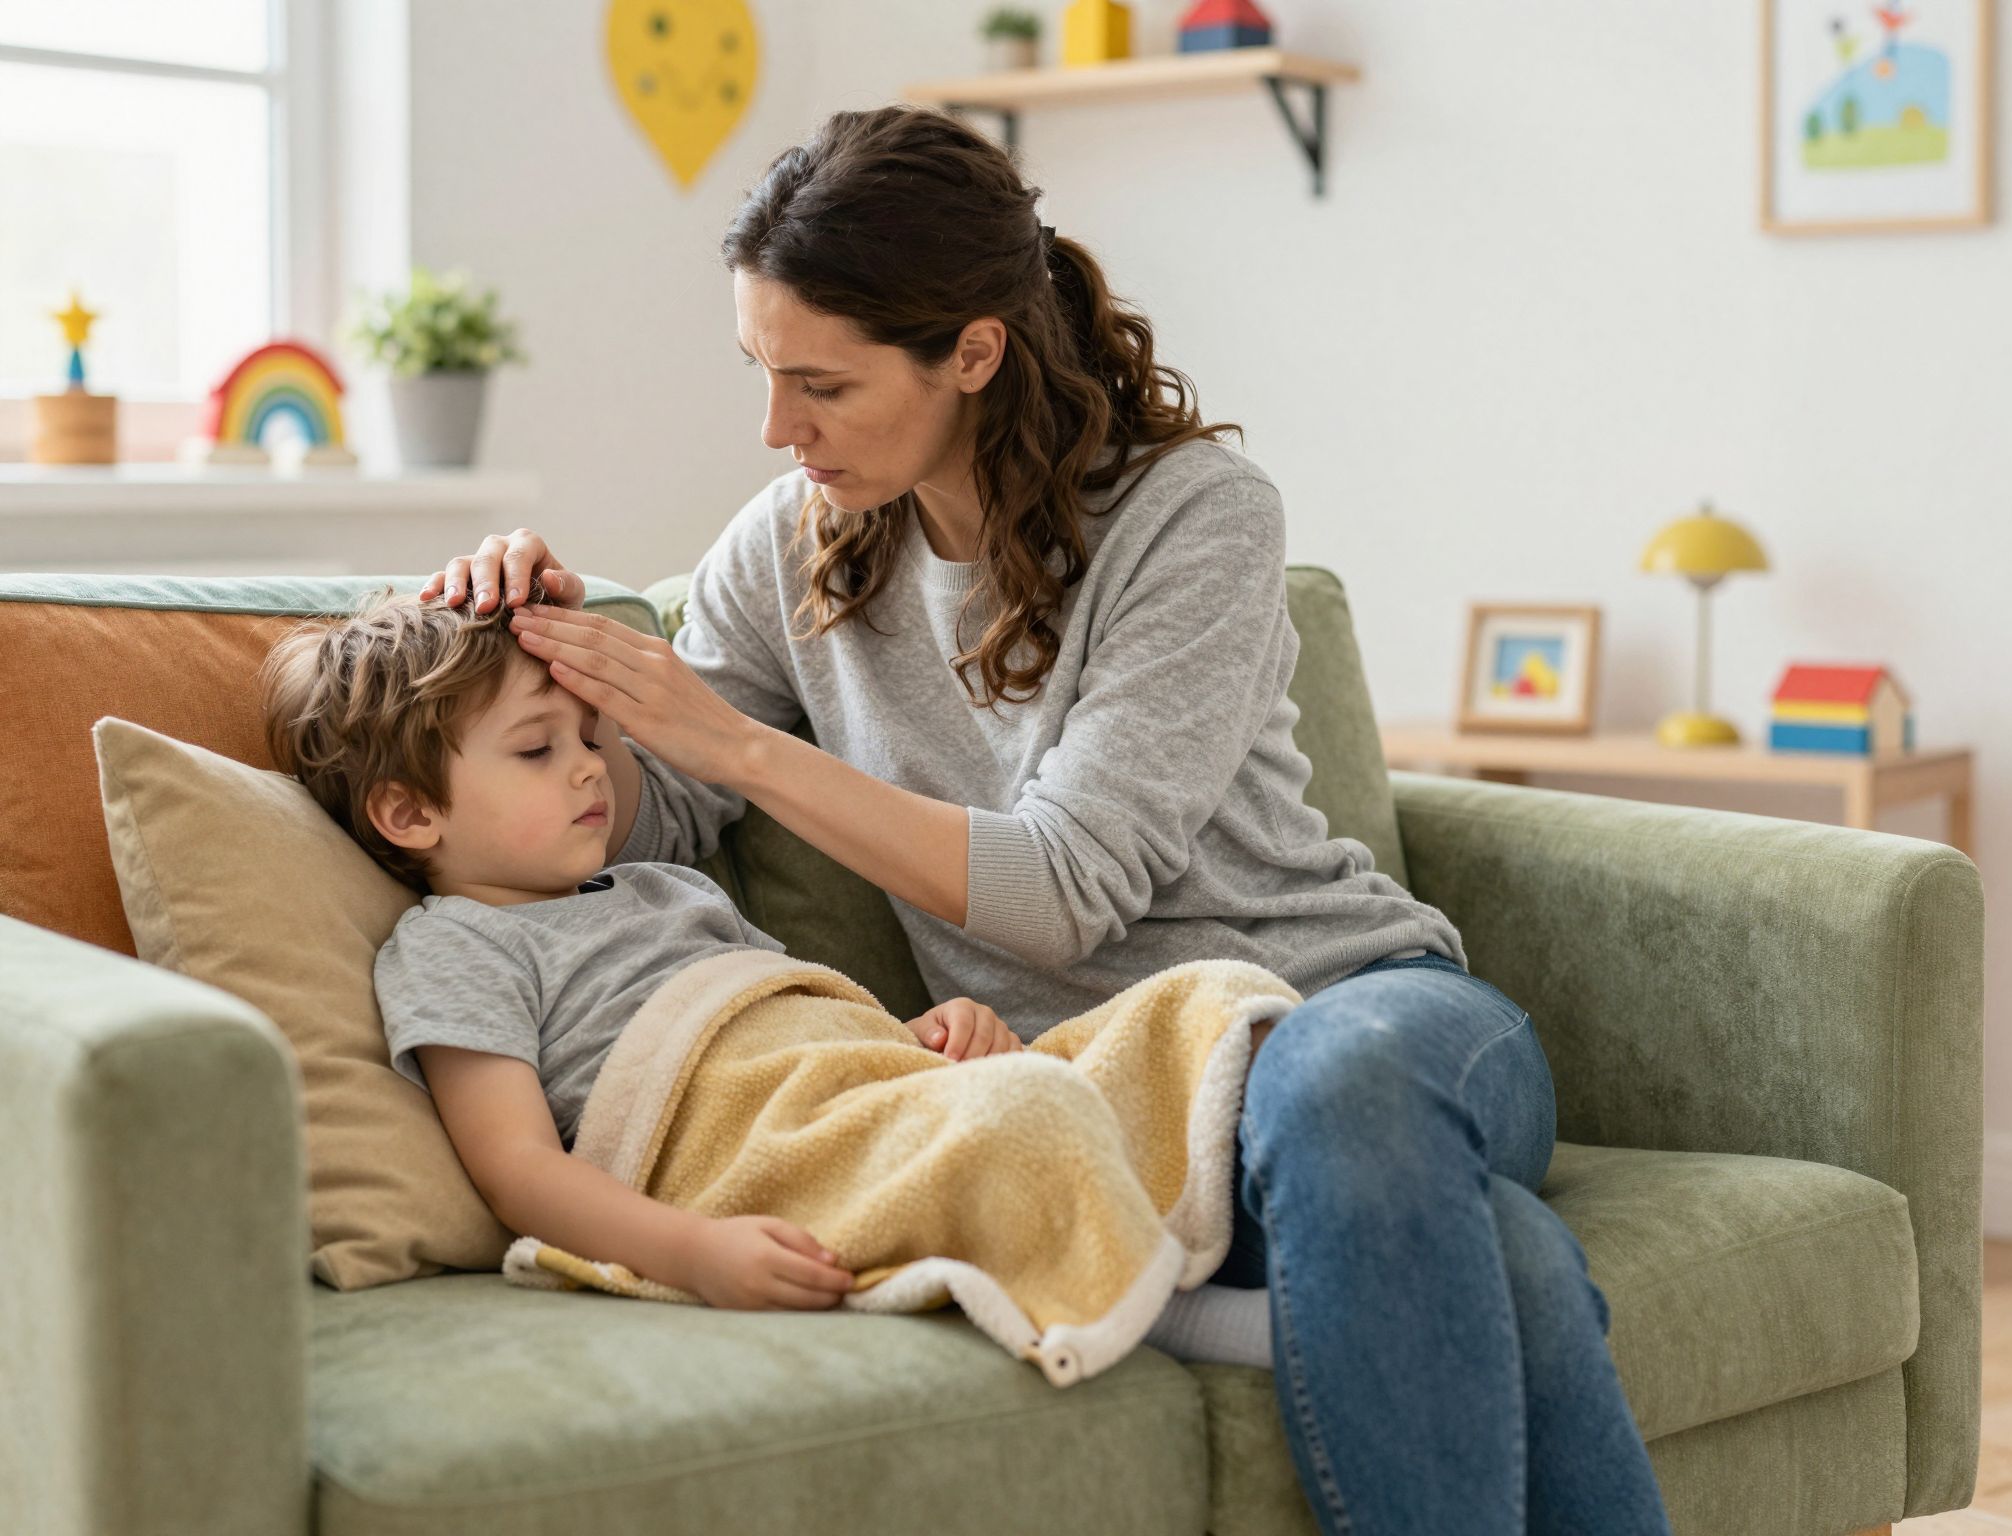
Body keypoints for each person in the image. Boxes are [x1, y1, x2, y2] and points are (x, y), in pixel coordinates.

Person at [422, 104, 1673, 1535]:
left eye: (821, 383)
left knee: (1345, 1103)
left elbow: (1066, 891)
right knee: (1496, 1258)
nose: (779, 430)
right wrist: (545, 646)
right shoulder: (787, 545)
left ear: (971, 351)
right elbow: (655, 814)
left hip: (1363, 1022)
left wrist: (740, 749)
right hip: (1113, 1099)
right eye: (762, 375)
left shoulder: (1192, 517)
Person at [258, 582, 1031, 1314]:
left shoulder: (666, 887)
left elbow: (802, 1031)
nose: (592, 765)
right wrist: (692, 1251)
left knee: (1146, 1027)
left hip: (847, 1100)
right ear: (410, 812)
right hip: (730, 1147)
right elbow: (518, 1171)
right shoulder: (456, 947)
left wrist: (923, 1040)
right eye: (538, 750)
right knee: (1037, 1128)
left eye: (588, 738)